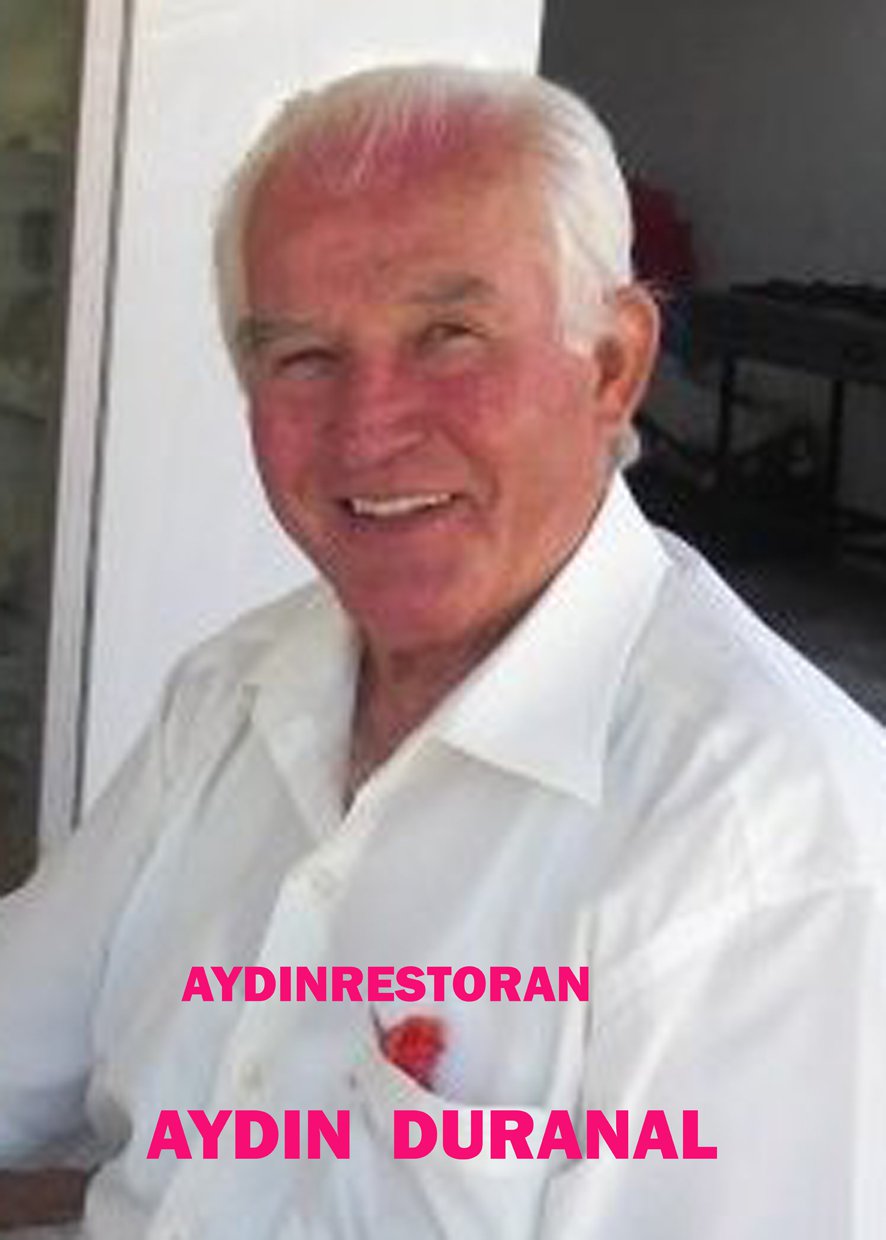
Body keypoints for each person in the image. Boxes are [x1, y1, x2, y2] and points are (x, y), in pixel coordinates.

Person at [1, 63, 885, 1240]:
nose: (368, 428)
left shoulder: (762, 848)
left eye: (450, 336)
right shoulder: (238, 691)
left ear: (612, 364)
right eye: (302, 355)